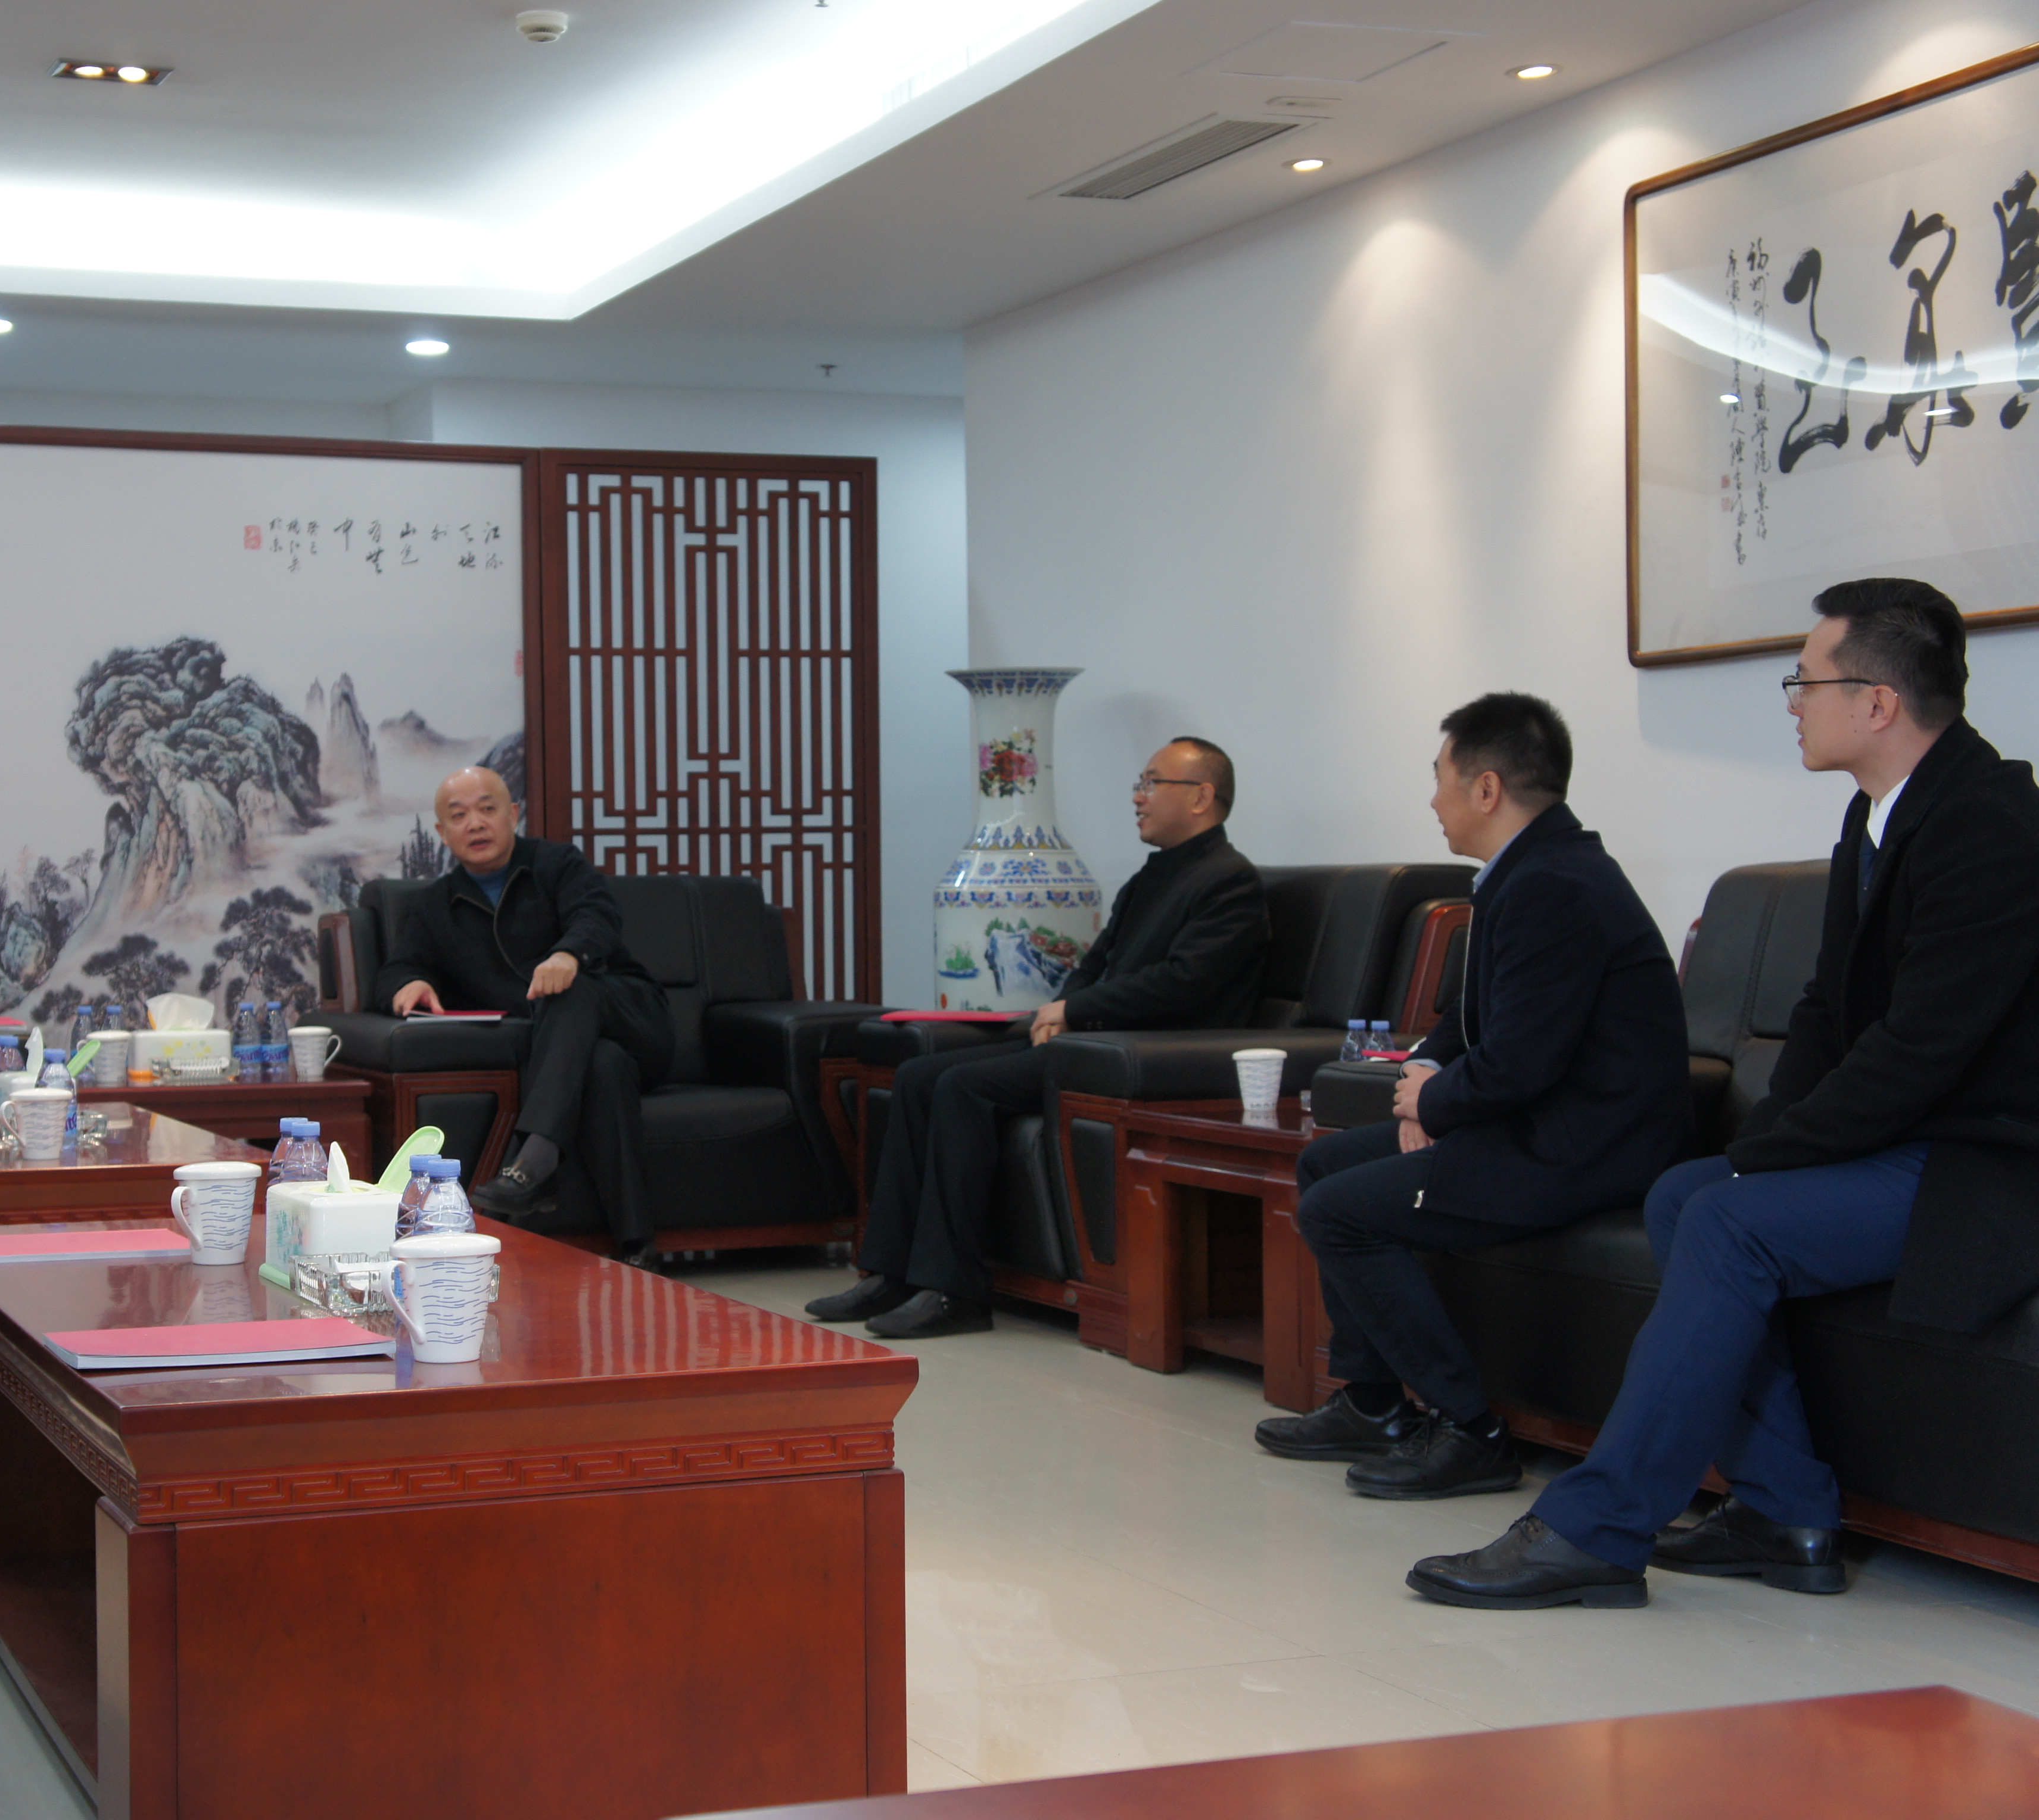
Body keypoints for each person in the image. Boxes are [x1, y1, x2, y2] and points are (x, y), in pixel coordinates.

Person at [1412, 581, 2039, 1610]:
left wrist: (1768, 1160)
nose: (1792, 703)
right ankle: (1785, 1512)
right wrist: (1760, 1144)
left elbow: (1921, 1049)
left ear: (1877, 702)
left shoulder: (1991, 824)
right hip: (1912, 1143)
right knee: (1684, 1194)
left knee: (1726, 1217)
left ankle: (1596, 1527)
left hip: (1984, 1164)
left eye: (1806, 681)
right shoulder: (1877, 816)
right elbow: (1826, 1014)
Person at [1254, 694, 1685, 1497]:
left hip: (1579, 1146)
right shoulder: (1526, 871)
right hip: (1535, 1123)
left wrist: (1436, 1105)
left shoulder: (1556, 884)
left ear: (1486, 789)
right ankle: (1374, 1402)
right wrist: (1421, 1079)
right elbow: (1465, 1019)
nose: (1432, 800)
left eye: (1439, 778)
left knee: (1339, 1211)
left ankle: (1471, 1430)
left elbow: (1521, 1062)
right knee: (1326, 1167)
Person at [808, 737, 1269, 1340]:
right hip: (1094, 1042)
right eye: (1140, 782)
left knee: (962, 1087)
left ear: (1202, 796)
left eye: (1152, 783)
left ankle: (955, 1291)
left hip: (1151, 1055)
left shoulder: (1230, 881)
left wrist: (1075, 1009)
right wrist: (1061, 1011)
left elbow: (1183, 984)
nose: (1137, 796)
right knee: (918, 1077)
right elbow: (1095, 962)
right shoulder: (1150, 878)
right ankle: (892, 1271)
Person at [374, 766, 675, 1262]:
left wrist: (569, 955)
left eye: (488, 809)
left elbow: (597, 916)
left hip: (634, 1019)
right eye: (459, 815)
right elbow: (398, 969)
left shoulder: (557, 864)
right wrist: (409, 984)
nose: (475, 823)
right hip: (578, 1053)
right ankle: (638, 1247)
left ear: (513, 814)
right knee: (603, 1066)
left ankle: (533, 1162)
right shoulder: (435, 907)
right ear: (443, 832)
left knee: (569, 992)